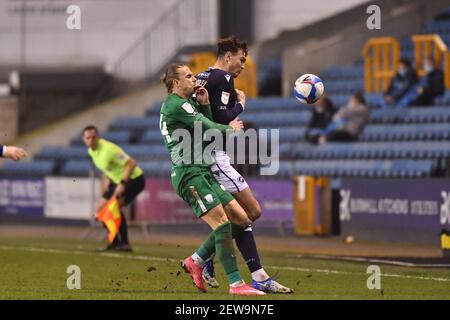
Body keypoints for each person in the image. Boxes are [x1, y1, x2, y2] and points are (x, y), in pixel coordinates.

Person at [195, 36, 293, 293]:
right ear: (228, 56)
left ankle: (258, 275)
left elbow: (203, 113)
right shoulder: (224, 79)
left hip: (203, 153)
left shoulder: (203, 75)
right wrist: (240, 105)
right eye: (241, 58)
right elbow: (221, 116)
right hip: (214, 155)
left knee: (235, 218)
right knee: (252, 211)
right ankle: (203, 258)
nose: (243, 65)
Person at [160, 63, 265, 296]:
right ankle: (236, 284)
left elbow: (204, 131)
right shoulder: (175, 106)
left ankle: (195, 261)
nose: (193, 78)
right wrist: (230, 129)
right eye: (188, 76)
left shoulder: (189, 103)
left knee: (241, 218)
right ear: (176, 83)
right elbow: (207, 128)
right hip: (189, 173)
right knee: (222, 224)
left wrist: (206, 103)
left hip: (203, 171)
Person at [83, 126, 145, 252]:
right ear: (84, 140)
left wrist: (122, 183)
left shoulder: (108, 149)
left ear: (98, 137)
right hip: (116, 181)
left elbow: (131, 163)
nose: (91, 140)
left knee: (114, 206)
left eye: (94, 137)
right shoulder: (91, 151)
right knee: (100, 210)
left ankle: (125, 243)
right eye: (88, 138)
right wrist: (108, 181)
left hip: (134, 179)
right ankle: (114, 242)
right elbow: (109, 168)